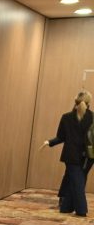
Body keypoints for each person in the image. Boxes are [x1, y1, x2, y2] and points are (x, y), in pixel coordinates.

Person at [43, 89, 93, 217]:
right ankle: (68, 207)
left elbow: (61, 137)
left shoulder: (66, 117)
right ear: (89, 102)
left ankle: (78, 209)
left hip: (71, 155)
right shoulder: (93, 117)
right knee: (78, 180)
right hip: (89, 157)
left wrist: (49, 142)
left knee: (77, 181)